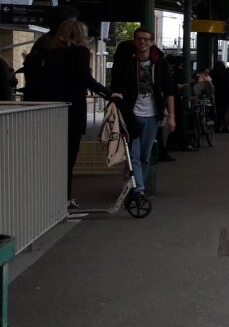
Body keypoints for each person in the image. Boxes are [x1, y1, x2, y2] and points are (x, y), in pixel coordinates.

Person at [41, 19, 121, 207]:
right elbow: (85, 78)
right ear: (80, 35)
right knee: (69, 157)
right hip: (72, 110)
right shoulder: (80, 53)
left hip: (50, 110)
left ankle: (50, 199)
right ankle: (64, 200)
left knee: (52, 157)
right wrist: (109, 94)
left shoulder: (50, 53)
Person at [111, 27, 175, 199]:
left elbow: (169, 90)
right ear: (134, 41)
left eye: (146, 39)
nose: (142, 42)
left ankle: (134, 185)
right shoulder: (127, 63)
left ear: (151, 42)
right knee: (134, 155)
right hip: (131, 115)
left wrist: (171, 116)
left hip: (152, 116)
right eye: (139, 39)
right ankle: (138, 190)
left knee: (145, 156)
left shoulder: (159, 64)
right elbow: (116, 86)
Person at [211, 61, 229, 133]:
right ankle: (225, 127)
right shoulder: (224, 75)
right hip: (225, 97)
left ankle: (216, 127)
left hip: (215, 96)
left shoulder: (212, 74)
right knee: (226, 111)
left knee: (216, 112)